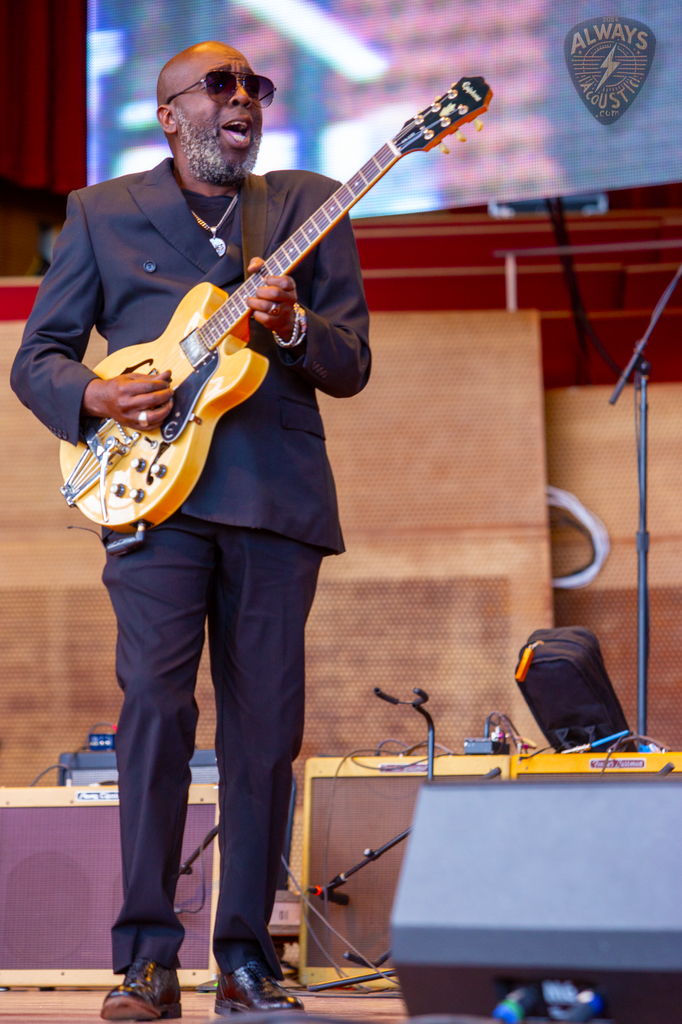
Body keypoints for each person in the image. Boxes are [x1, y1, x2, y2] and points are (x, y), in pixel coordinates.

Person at [11, 40, 370, 1021]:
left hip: (274, 501)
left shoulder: (307, 204)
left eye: (254, 86)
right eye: (219, 86)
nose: (241, 98)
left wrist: (290, 326)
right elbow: (38, 357)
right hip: (149, 499)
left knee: (264, 735)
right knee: (155, 716)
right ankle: (146, 962)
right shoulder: (100, 211)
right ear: (169, 113)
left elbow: (349, 361)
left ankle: (247, 962)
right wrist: (95, 394)